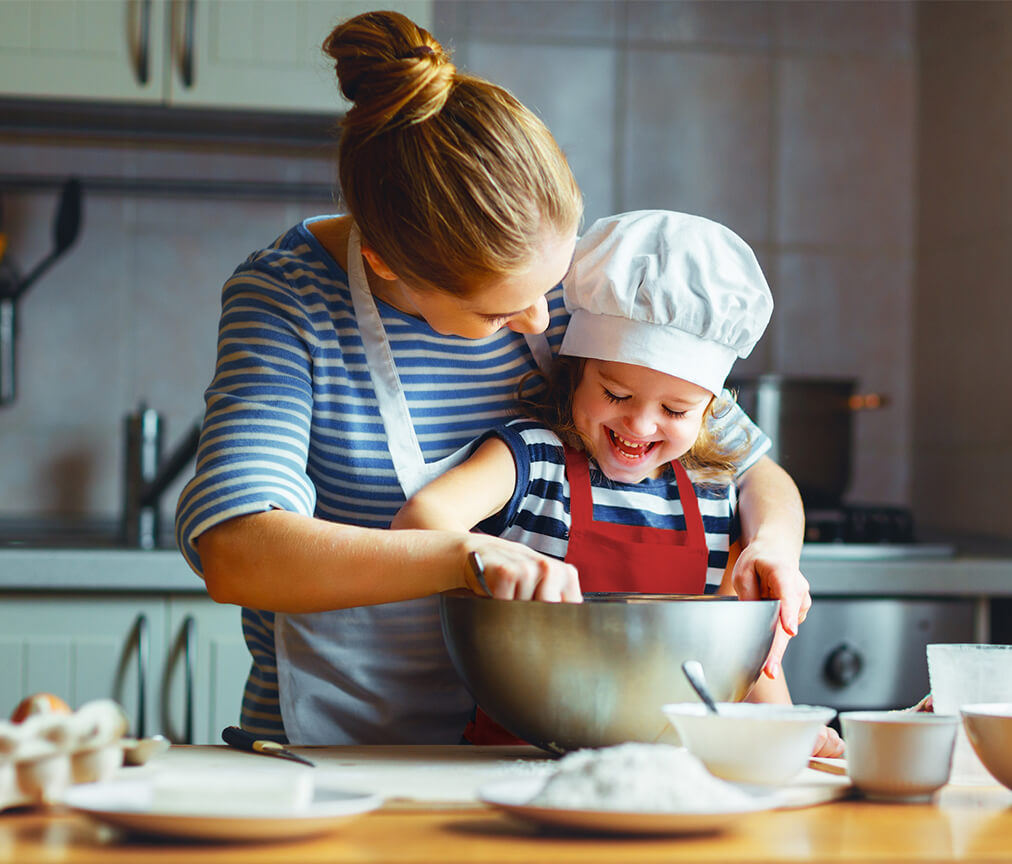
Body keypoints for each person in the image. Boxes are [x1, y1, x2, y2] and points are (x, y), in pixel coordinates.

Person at [174, 10, 811, 747]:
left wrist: (773, 548)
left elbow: (749, 466)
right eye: (499, 311)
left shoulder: (587, 292)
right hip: (345, 752)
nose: (543, 322)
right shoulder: (290, 302)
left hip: (539, 749)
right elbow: (238, 551)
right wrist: (461, 556)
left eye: (551, 287)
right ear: (387, 263)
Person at [395, 211, 843, 757]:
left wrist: (786, 733)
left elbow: (746, 661)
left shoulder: (713, 489)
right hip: (516, 755)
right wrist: (483, 559)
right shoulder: (533, 459)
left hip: (674, 770)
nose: (640, 424)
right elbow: (420, 522)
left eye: (676, 409)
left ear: (712, 412)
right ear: (576, 372)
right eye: (615, 394)